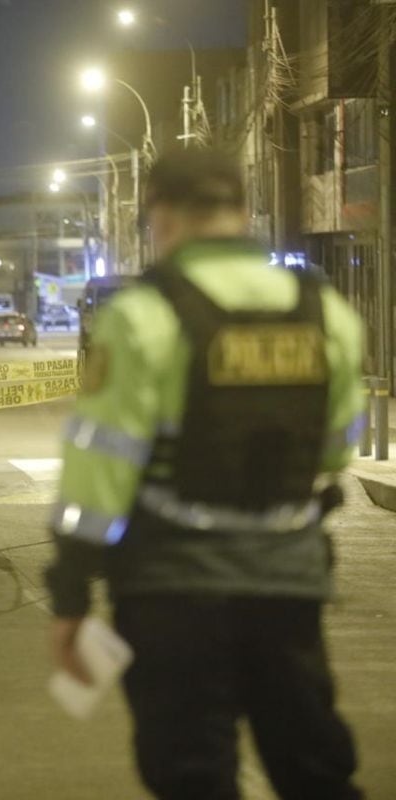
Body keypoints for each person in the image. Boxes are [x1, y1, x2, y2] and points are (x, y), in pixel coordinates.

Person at [44, 149, 364, 799]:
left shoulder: (142, 317)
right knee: (315, 772)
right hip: (288, 585)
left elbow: (98, 474)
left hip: (173, 593)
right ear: (242, 213)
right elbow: (335, 451)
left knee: (193, 777)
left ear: (160, 217)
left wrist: (71, 596)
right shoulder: (324, 311)